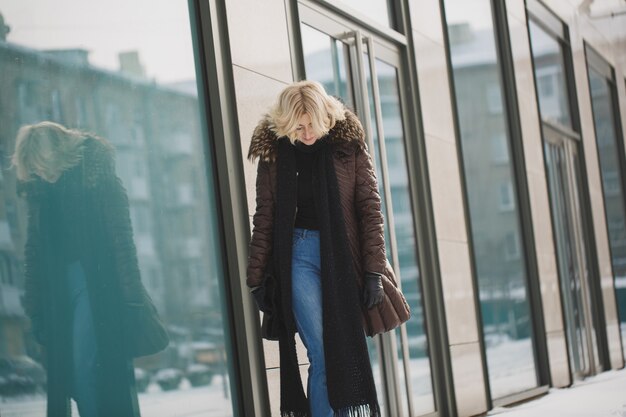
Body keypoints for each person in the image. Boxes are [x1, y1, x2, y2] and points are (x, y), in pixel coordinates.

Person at [246, 80, 411, 417]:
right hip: (298, 256)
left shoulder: (347, 147)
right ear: (286, 122)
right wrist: (256, 276)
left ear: (326, 115)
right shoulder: (276, 154)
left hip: (343, 256)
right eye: (299, 126)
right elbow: (265, 216)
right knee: (322, 351)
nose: (307, 133)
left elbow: (370, 210)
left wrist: (374, 272)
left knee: (344, 350)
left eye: (313, 123)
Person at [12, 121, 167, 417]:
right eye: (34, 169)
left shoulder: (96, 177)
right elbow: (33, 251)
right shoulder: (41, 192)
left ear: (55, 155)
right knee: (68, 374)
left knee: (86, 366)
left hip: (93, 285)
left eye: (41, 165)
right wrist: (34, 308)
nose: (40, 173)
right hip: (57, 291)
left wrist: (132, 296)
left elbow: (122, 239)